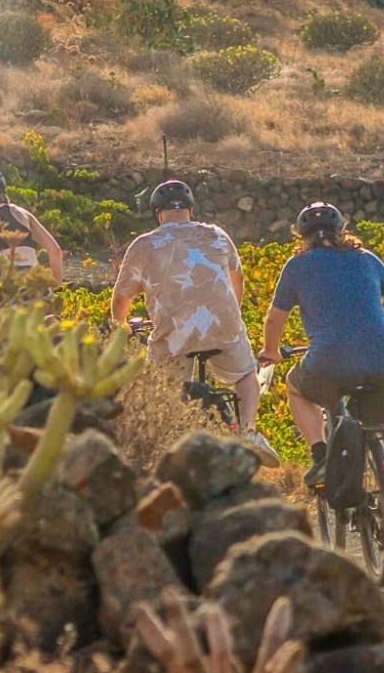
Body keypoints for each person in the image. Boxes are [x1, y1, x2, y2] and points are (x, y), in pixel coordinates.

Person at [110, 180, 280, 468]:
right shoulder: (217, 235)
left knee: (160, 388)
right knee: (245, 375)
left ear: (157, 212)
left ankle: (165, 442)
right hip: (223, 326)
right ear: (190, 209)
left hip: (174, 335)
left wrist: (120, 325)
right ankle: (248, 430)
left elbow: (121, 296)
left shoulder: (145, 244)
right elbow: (236, 279)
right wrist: (228, 315)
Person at [257, 202, 384, 490]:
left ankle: (322, 456)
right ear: (342, 230)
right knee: (381, 429)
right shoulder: (365, 258)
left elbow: (275, 319)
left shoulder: (297, 266)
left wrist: (271, 352)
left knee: (295, 386)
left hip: (329, 361)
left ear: (302, 235)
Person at [0, 166, 65, 282]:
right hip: (34, 280)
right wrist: (55, 286)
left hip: (7, 283)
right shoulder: (23, 213)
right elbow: (55, 251)